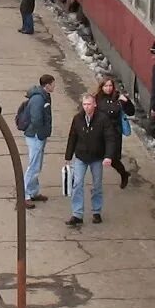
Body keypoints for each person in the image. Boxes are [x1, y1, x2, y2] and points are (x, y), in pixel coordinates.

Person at [63, 91, 111, 226]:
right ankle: (77, 214)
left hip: (96, 157)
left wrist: (108, 156)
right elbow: (72, 137)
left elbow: (109, 138)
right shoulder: (77, 119)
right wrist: (68, 156)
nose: (87, 107)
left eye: (89, 104)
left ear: (95, 104)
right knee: (77, 184)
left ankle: (96, 211)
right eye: (84, 104)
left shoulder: (103, 119)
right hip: (81, 156)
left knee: (97, 185)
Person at [15, 73, 55, 205]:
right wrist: (42, 133)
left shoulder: (43, 96)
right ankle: (24, 194)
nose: (54, 86)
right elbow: (36, 118)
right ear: (47, 85)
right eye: (53, 83)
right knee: (33, 166)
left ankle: (33, 191)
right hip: (36, 135)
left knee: (36, 165)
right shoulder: (39, 99)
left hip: (37, 135)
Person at [95, 76, 135, 187]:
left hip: (114, 133)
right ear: (101, 87)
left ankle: (123, 174)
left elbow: (131, 112)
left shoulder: (118, 97)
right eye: (106, 86)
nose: (108, 88)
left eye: (110, 86)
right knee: (100, 155)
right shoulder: (97, 98)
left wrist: (126, 101)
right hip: (101, 132)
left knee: (113, 158)